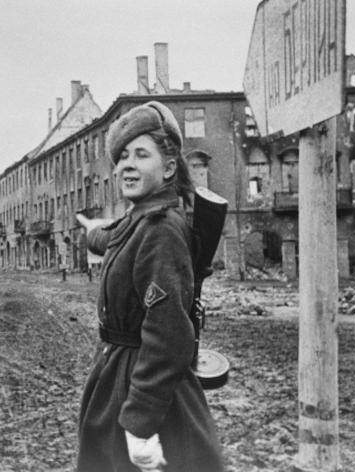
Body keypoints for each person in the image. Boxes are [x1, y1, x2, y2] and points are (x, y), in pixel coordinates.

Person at [76, 102, 223, 472]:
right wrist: (91, 230)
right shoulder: (140, 219)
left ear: (169, 167)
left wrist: (140, 425)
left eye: (141, 155)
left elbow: (168, 336)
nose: (127, 165)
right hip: (120, 379)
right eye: (123, 156)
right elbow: (111, 237)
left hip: (145, 390)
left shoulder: (161, 230)